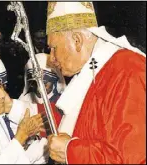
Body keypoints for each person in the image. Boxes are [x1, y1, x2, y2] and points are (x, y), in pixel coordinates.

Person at [43, 2, 146, 164]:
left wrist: (70, 152)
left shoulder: (127, 70)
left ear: (77, 40)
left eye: (53, 48)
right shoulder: (92, 72)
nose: (51, 59)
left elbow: (133, 159)